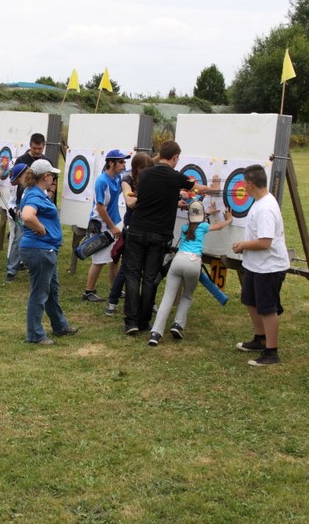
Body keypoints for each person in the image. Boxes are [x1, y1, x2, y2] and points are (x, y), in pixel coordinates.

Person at [123, 140, 220, 335]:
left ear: (160, 155)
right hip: (158, 234)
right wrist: (214, 186)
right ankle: (143, 322)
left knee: (132, 275)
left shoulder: (145, 174)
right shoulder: (177, 177)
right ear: (175, 157)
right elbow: (199, 189)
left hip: (137, 229)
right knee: (149, 278)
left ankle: (131, 322)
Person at [147, 201, 232, 346]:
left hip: (178, 261)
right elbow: (218, 226)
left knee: (168, 297)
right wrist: (229, 219)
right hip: (193, 263)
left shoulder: (185, 227)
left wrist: (208, 213)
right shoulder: (204, 226)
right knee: (187, 295)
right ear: (202, 216)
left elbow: (195, 219)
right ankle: (177, 325)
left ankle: (155, 333)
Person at [232, 164, 290, 366]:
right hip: (255, 265)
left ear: (250, 184)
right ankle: (260, 339)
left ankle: (271, 352)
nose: (242, 187)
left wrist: (243, 245)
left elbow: (265, 242)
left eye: (243, 183)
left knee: (267, 308)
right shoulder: (259, 202)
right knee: (250, 300)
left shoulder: (265, 208)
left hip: (269, 267)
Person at [18, 159, 78, 344]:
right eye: (52, 175)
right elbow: (27, 215)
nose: (53, 178)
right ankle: (35, 334)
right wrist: (41, 229)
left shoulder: (34, 192)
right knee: (40, 293)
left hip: (43, 249)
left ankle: (59, 325)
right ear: (45, 176)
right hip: (40, 249)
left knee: (51, 290)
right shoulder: (35, 194)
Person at [105, 151, 152, 315]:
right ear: (136, 168)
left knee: (147, 269)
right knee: (126, 268)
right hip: (131, 227)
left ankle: (148, 303)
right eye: (142, 168)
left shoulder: (149, 178)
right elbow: (130, 202)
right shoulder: (127, 180)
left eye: (148, 168)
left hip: (147, 227)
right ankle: (112, 301)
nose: (145, 172)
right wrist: (150, 197)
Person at [82, 149, 129, 303]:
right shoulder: (102, 181)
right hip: (101, 225)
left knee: (114, 258)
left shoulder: (117, 177)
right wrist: (112, 227)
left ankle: (115, 289)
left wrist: (158, 158)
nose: (124, 165)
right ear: (111, 163)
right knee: (99, 260)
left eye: (124, 162)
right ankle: (88, 292)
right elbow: (100, 207)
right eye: (121, 162)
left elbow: (137, 167)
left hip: (109, 224)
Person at [6, 133, 46, 283]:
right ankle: (11, 270)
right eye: (34, 148)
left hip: (40, 204)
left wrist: (49, 194)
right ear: (30, 145)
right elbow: (13, 180)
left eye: (40, 148)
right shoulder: (21, 160)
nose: (37, 151)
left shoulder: (46, 162)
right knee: (18, 237)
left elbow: (52, 180)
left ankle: (34, 267)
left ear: (44, 146)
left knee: (38, 236)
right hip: (23, 203)